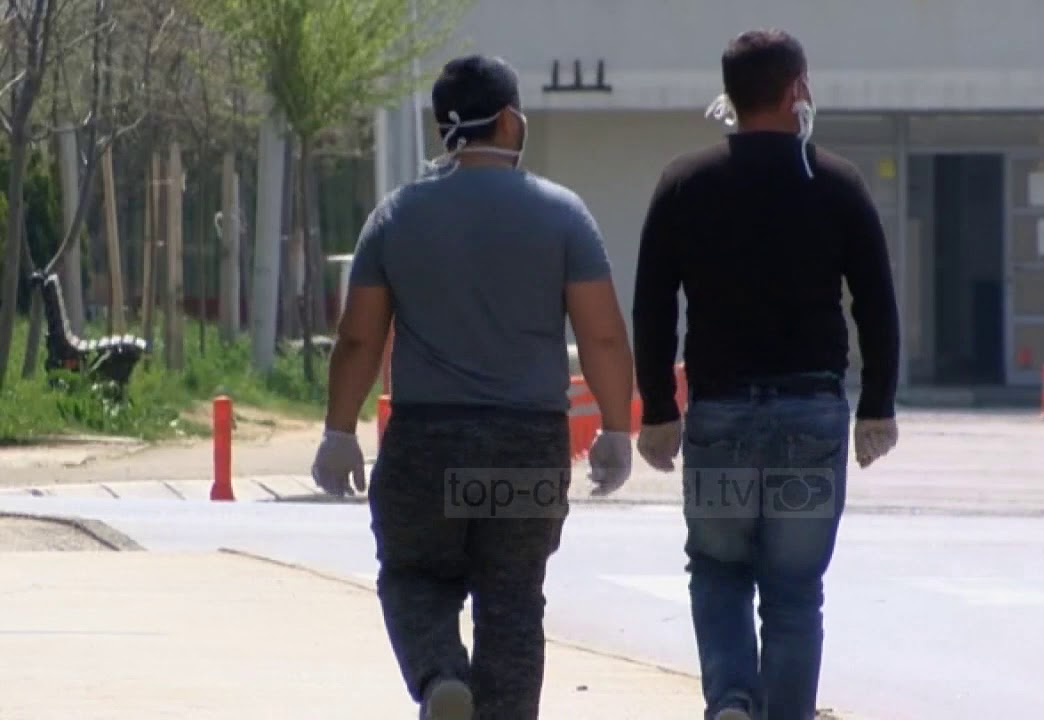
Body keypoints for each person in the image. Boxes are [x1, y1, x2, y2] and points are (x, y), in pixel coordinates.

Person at [309, 55, 635, 720]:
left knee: (414, 576)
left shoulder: (396, 216)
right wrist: (614, 428)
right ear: (510, 121)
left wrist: (338, 432)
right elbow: (603, 336)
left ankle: (439, 676)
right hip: (527, 446)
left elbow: (359, 339)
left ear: (443, 129)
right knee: (513, 602)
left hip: (427, 441)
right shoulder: (563, 215)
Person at [631, 29, 901, 720]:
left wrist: (658, 408)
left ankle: (731, 699)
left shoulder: (686, 182)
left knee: (719, 571)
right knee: (794, 591)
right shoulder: (835, 182)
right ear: (797, 89)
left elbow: (653, 301)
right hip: (811, 414)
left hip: (719, 414)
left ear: (730, 95)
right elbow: (875, 299)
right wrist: (877, 405)